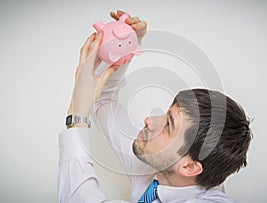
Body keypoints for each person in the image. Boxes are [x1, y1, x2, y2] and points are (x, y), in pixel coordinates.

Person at [58, 10, 252, 203]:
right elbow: (102, 101)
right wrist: (123, 51)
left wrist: (76, 116)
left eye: (168, 126)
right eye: (166, 114)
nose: (149, 121)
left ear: (190, 167)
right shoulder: (158, 161)